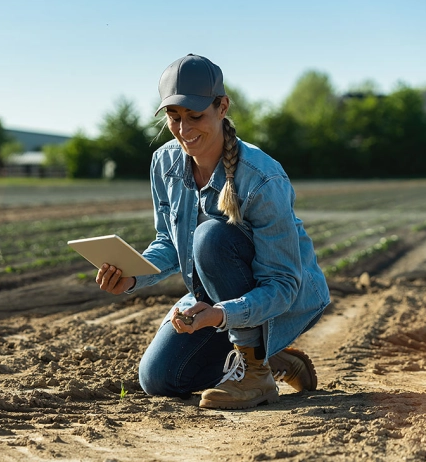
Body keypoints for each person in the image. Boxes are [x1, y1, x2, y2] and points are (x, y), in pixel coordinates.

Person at [95, 54, 330, 410]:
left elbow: (283, 284)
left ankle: (255, 371)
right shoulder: (164, 163)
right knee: (158, 379)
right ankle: (272, 359)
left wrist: (220, 314)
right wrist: (131, 276)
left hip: (283, 299)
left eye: (195, 116)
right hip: (215, 297)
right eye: (174, 118)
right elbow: (170, 244)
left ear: (222, 107)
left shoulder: (262, 178)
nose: (184, 130)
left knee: (210, 237)